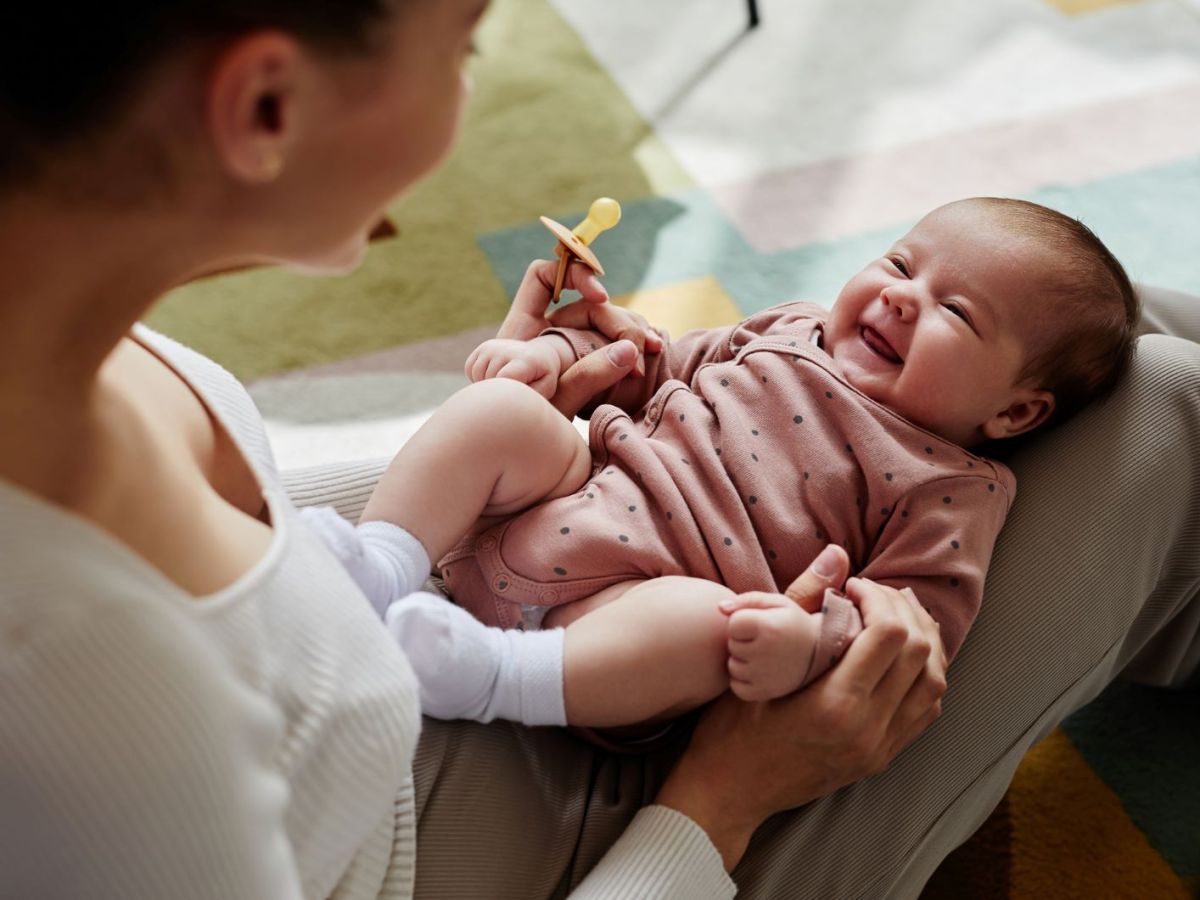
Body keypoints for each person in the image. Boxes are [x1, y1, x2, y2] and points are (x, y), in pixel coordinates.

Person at [0, 2, 946, 898]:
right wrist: (726, 799)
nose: (465, 94)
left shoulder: (81, 351)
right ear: (267, 107)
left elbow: (249, 556)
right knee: (1027, 451)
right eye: (464, 47)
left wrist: (504, 465)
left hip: (432, 630)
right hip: (451, 830)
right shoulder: (95, 696)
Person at [310, 197, 1137, 733]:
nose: (898, 296)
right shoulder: (792, 328)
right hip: (574, 488)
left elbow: (912, 622)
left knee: (706, 623)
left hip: (616, 619)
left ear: (1015, 413)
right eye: (899, 264)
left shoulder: (953, 488)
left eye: (954, 310)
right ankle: (381, 564)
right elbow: (647, 364)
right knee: (501, 413)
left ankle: (491, 677)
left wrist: (807, 644)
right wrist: (554, 355)